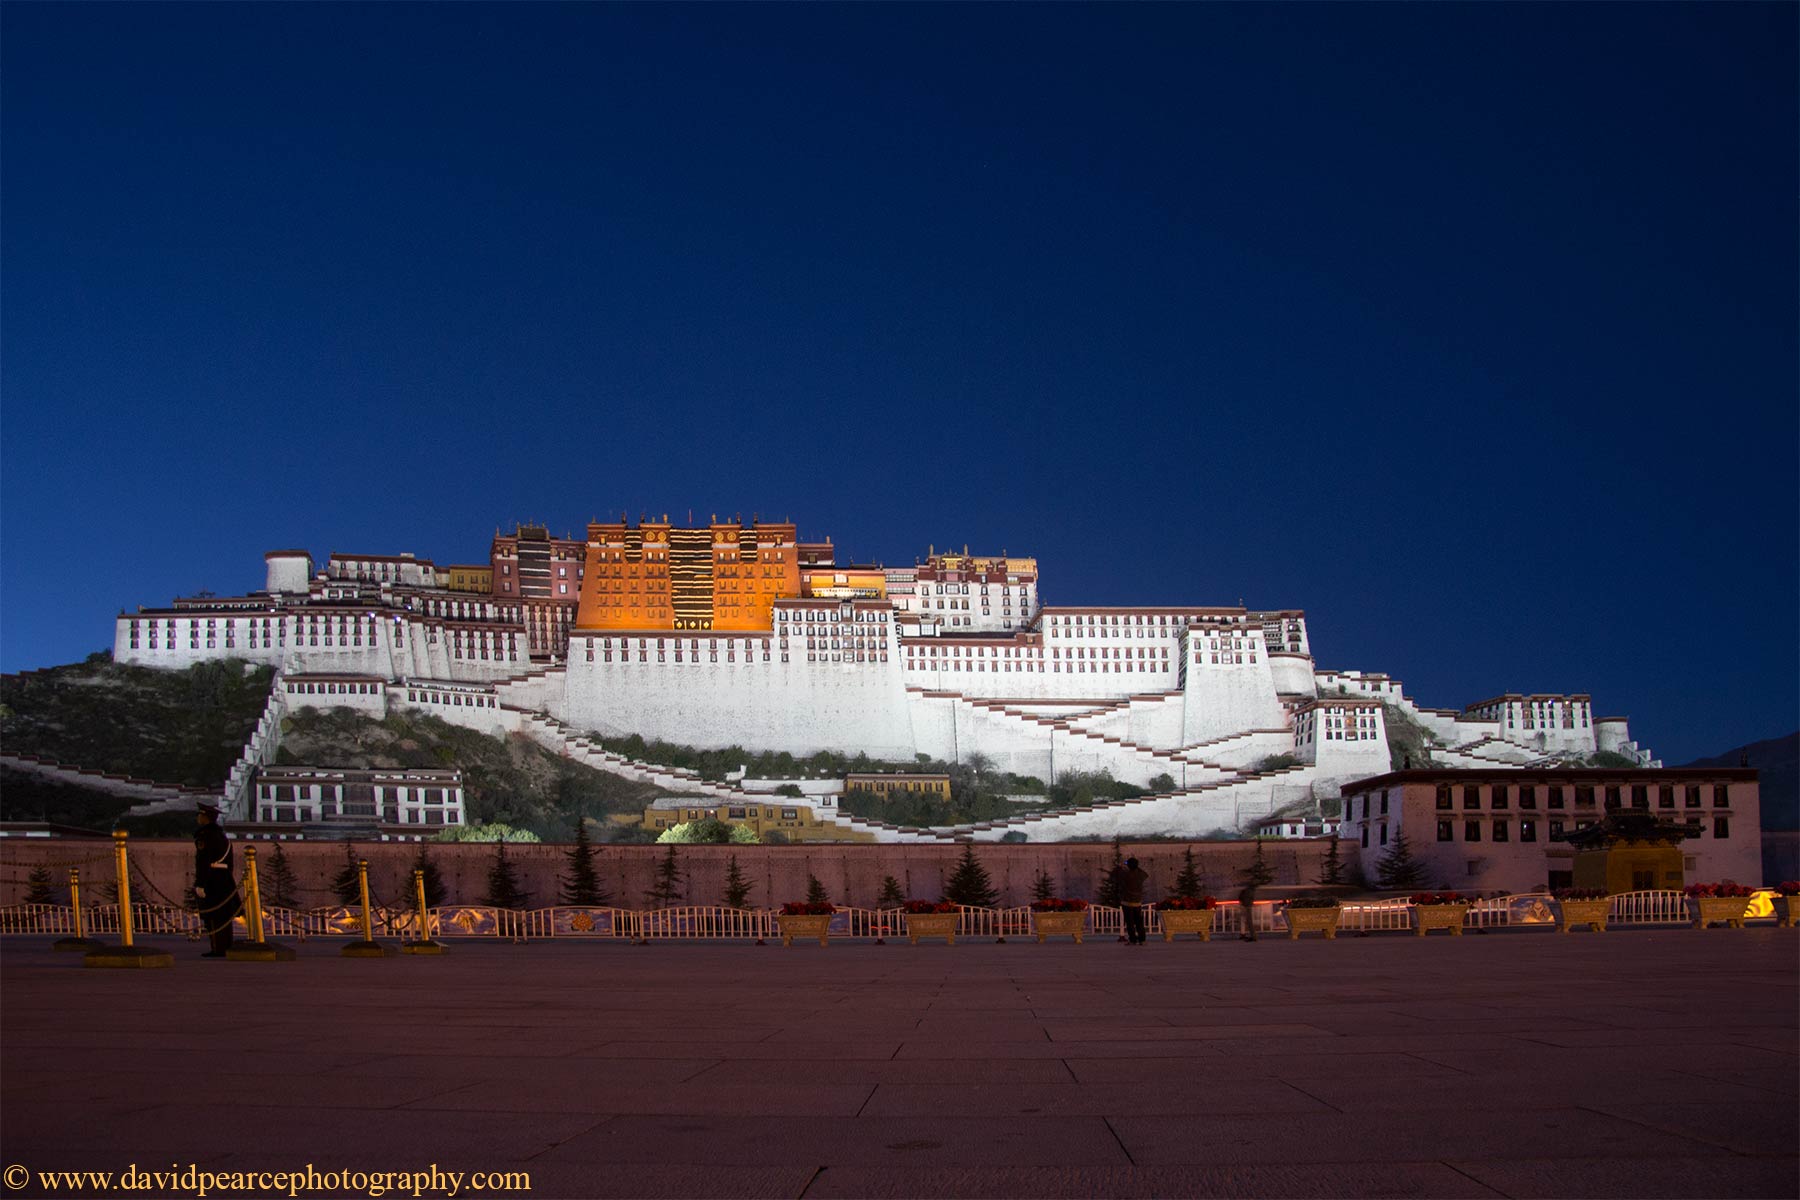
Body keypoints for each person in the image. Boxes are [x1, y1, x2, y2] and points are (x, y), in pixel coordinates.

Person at [193, 803, 241, 957]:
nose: (198, 818)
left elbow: (203, 861)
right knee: (224, 915)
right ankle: (225, 945)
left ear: (205, 817)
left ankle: (218, 948)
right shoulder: (223, 837)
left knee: (213, 915)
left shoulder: (205, 836)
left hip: (211, 880)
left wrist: (200, 883)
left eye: (200, 815)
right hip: (225, 879)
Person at [1113, 856, 1150, 945]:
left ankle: (1132, 939)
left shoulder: (1125, 874)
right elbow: (1145, 874)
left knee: (1130, 922)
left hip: (1127, 901)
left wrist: (1120, 867)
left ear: (1128, 865)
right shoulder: (1140, 875)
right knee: (1139, 922)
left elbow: (1115, 876)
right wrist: (1136, 866)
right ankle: (1142, 939)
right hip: (1137, 902)